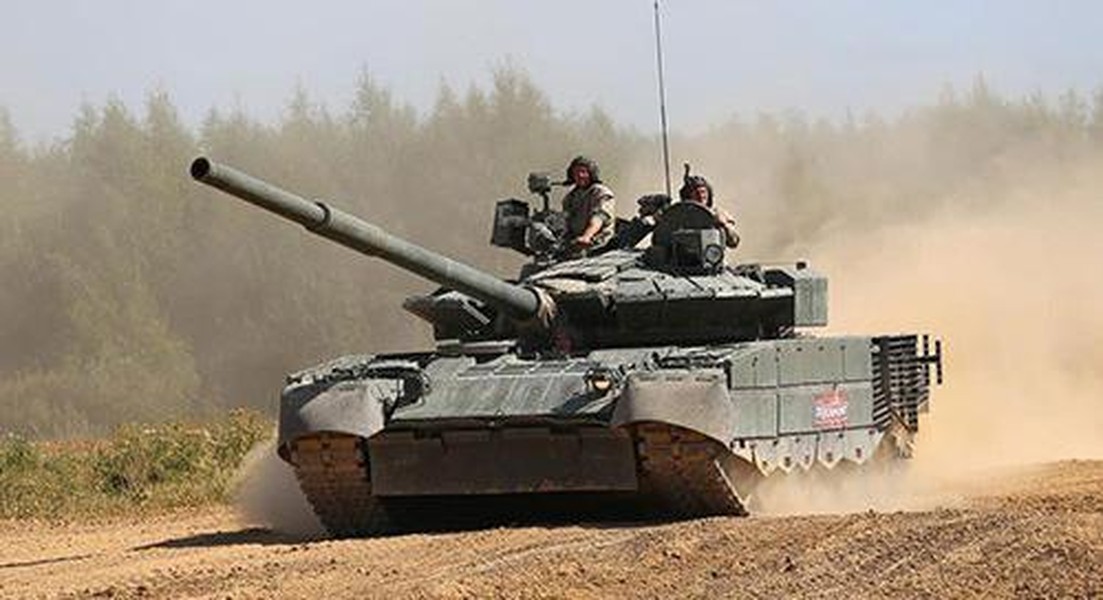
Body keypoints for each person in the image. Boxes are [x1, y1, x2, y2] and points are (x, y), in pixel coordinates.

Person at [561, 156, 616, 255]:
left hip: (601, 245)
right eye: (576, 173)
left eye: (583, 172)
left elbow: (600, 217)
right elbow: (567, 223)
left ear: (591, 173)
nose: (580, 175)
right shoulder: (570, 198)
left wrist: (586, 236)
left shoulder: (601, 193)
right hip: (576, 246)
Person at [679, 172, 740, 249]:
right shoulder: (679, 215)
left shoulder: (717, 213)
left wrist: (724, 225)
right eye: (696, 193)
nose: (701, 196)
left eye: (703, 192)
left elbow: (734, 242)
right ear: (688, 195)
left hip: (712, 253)